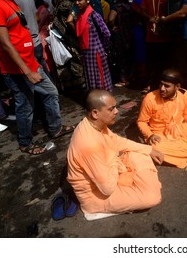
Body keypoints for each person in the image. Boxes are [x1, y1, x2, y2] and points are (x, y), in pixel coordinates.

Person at [0, 0, 74, 155]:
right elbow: (6, 44)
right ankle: (25, 142)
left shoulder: (10, 1)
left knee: (51, 92)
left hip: (31, 62)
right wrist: (27, 71)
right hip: (17, 69)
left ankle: (56, 128)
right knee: (25, 105)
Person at [67, 89, 163, 220]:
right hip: (96, 195)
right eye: (111, 109)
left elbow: (116, 141)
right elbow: (107, 189)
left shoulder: (94, 124)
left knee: (142, 152)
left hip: (107, 170)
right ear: (95, 113)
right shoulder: (89, 144)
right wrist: (114, 158)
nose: (117, 111)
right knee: (153, 197)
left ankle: (135, 179)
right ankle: (137, 181)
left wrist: (149, 149)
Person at [137, 69, 187, 169]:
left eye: (167, 86)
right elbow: (142, 121)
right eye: (161, 84)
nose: (162, 88)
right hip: (159, 134)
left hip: (181, 129)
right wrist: (150, 135)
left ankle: (185, 152)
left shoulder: (184, 94)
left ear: (177, 86)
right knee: (156, 147)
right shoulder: (150, 98)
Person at [75, 0, 113, 92]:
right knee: (91, 78)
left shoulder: (94, 15)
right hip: (87, 53)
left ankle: (104, 102)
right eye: (76, 0)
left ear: (87, 0)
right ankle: (95, 101)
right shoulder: (80, 15)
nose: (77, 3)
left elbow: (106, 33)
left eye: (80, 0)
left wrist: (103, 48)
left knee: (100, 79)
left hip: (96, 52)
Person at [51, 0, 85, 92]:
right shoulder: (56, 0)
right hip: (59, 36)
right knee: (65, 59)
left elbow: (74, 17)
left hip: (71, 34)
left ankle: (82, 83)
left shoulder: (70, 0)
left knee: (75, 57)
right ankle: (70, 85)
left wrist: (76, 33)